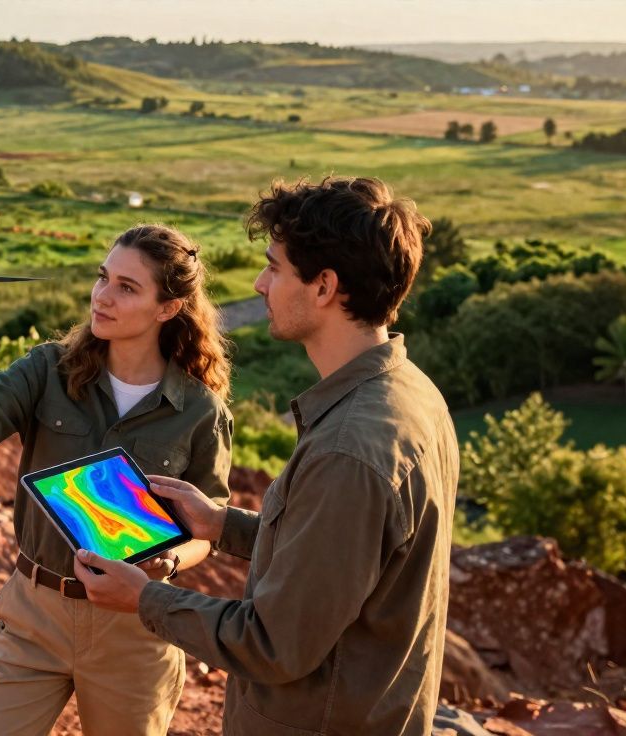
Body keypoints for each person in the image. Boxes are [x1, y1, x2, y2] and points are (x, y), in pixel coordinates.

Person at [73, 177, 459, 736]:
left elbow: (275, 643)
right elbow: (340, 558)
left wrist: (146, 599)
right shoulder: (411, 394)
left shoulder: (350, 448)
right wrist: (220, 524)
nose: (259, 284)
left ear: (324, 286)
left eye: (275, 267)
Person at [0, 224, 234, 735]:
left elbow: (208, 528)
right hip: (33, 616)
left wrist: (170, 559)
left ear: (168, 308)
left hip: (134, 626)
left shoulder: (199, 410)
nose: (102, 297)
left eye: (126, 288)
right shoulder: (49, 370)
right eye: (102, 277)